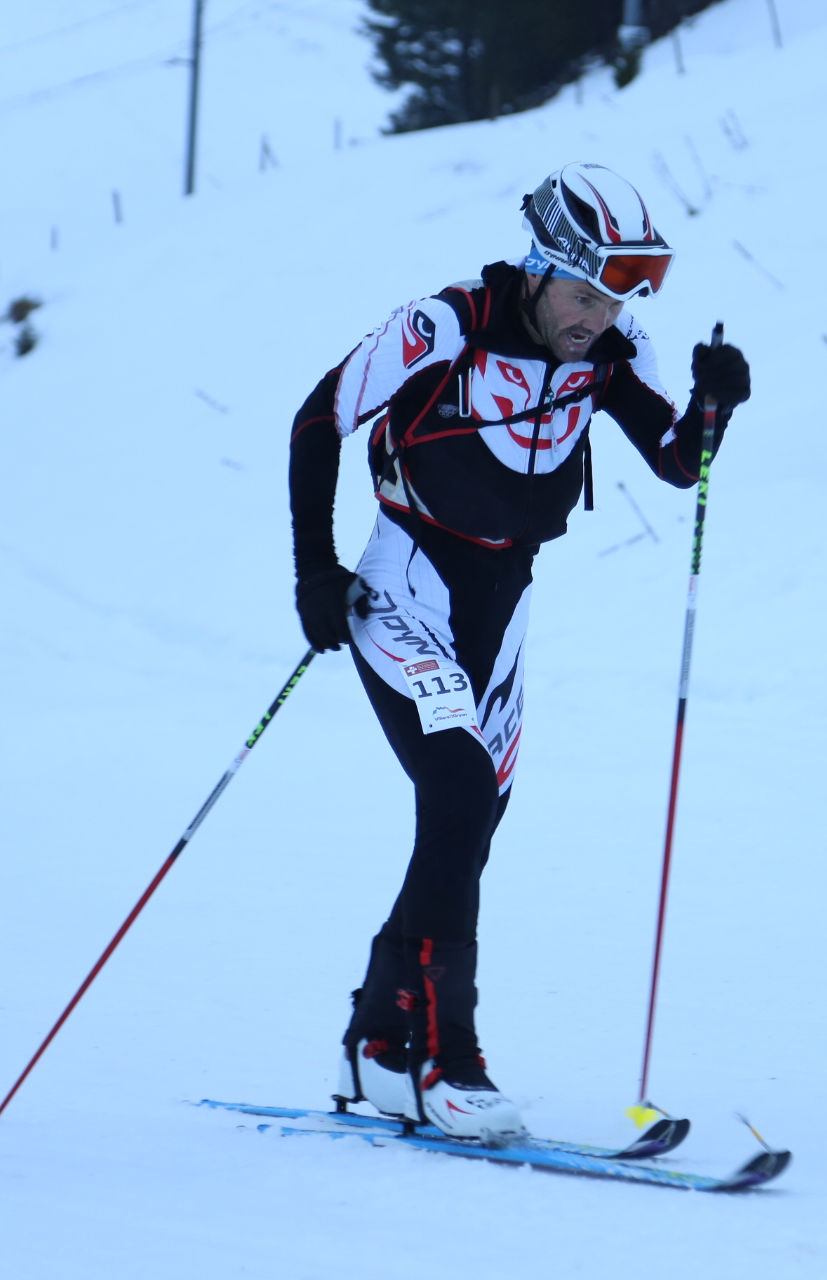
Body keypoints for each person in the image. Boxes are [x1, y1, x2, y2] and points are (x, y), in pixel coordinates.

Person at [288, 163, 751, 1144]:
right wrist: (314, 570)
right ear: (542, 267)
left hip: (505, 606)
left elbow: (677, 463)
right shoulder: (444, 325)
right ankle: (446, 1062)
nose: (597, 319)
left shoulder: (610, 348)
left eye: (615, 302)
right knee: (457, 796)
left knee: (470, 824)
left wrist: (715, 406)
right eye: (584, 296)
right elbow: (318, 418)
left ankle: (377, 1040)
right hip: (405, 586)